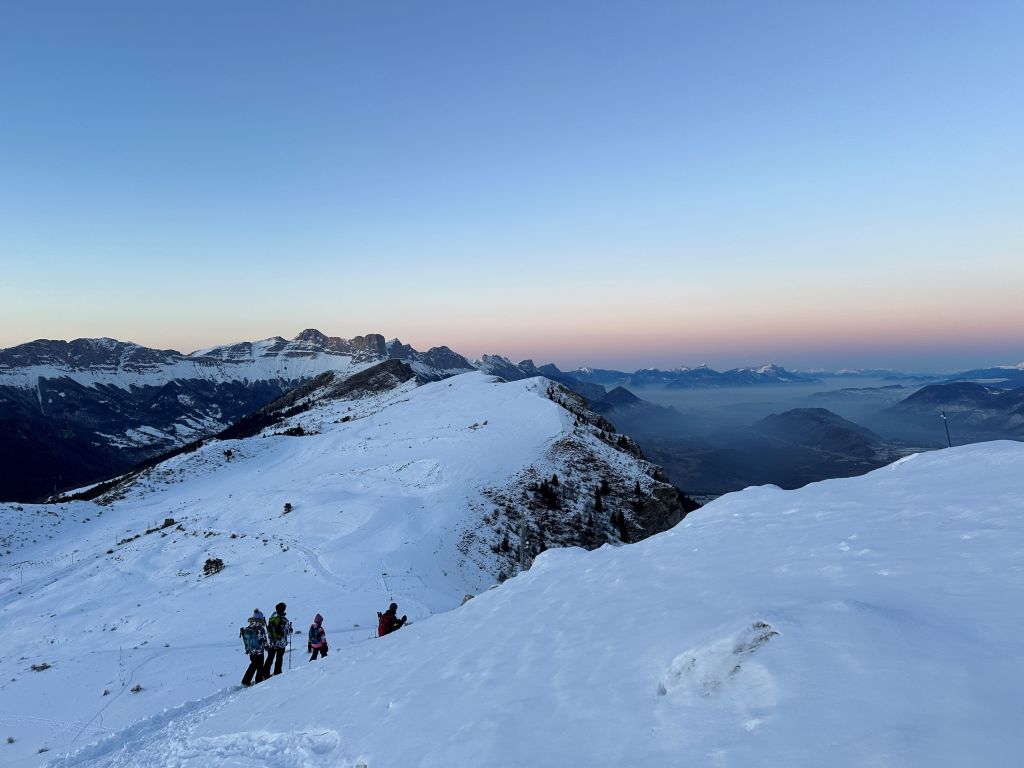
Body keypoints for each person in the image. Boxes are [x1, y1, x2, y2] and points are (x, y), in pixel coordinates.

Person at [240, 609, 268, 686]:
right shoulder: (260, 629)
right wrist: (266, 647)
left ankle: (245, 681)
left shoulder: (249, 627)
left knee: (253, 664)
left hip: (251, 650)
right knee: (260, 665)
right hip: (259, 651)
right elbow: (263, 640)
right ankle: (258, 680)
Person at [263, 602, 292, 677]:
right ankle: (277, 673)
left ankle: (265, 674)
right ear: (283, 609)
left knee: (270, 658)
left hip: (272, 642)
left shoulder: (272, 618)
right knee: (279, 658)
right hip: (281, 643)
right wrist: (290, 630)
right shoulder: (284, 620)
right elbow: (286, 632)